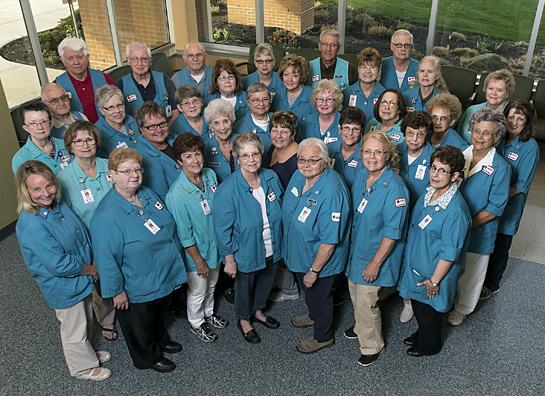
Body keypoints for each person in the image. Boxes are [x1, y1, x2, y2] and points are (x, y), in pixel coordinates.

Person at [90, 148, 187, 373]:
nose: (133, 175)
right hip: (137, 283)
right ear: (112, 174)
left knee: (159, 315)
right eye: (125, 171)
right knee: (140, 325)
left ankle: (160, 341)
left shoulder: (147, 194)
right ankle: (148, 357)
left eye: (136, 169)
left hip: (163, 273)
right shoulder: (106, 215)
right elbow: (106, 259)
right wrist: (116, 291)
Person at [15, 160, 111, 381]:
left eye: (49, 186)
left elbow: (80, 236)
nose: (45, 193)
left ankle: (84, 355)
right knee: (74, 328)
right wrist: (92, 270)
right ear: (26, 191)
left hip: (81, 278)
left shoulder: (58, 205)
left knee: (85, 320)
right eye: (36, 189)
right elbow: (59, 264)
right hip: (64, 284)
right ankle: (81, 368)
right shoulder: (32, 224)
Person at [398, 146, 472, 357]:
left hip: (433, 274)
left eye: (442, 170)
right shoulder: (429, 192)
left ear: (455, 175)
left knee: (429, 312)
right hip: (418, 265)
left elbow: (450, 252)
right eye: (433, 168)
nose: (435, 174)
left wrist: (435, 281)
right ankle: (421, 334)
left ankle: (430, 345)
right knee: (420, 308)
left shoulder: (455, 211)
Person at [345, 131, 409, 366]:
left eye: (378, 152)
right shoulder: (363, 174)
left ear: (389, 155)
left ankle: (372, 344)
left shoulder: (395, 188)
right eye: (367, 151)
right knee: (354, 292)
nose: (371, 156)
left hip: (376, 254)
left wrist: (374, 263)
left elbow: (392, 233)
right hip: (358, 248)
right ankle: (362, 326)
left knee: (366, 300)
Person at [214, 132, 284, 344]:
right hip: (246, 249)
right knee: (244, 287)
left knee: (265, 281)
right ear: (237, 158)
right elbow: (222, 229)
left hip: (272, 244)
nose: (251, 159)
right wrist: (229, 260)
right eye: (245, 155)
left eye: (255, 154)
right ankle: (244, 320)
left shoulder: (271, 178)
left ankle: (258, 311)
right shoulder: (227, 190)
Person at [283, 138, 351, 354]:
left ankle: (323, 336)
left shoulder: (332, 191)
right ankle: (313, 316)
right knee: (310, 294)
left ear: (325, 162)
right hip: (300, 252)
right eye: (302, 159)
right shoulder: (299, 176)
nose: (306, 164)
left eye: (313, 160)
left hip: (319, 260)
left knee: (319, 297)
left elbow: (329, 241)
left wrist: (314, 271)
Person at [447, 108, 511, 326]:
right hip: (452, 227)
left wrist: (466, 225)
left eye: (486, 133)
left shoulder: (501, 167)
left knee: (471, 273)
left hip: (479, 230)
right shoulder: (459, 156)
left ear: (497, 137)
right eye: (476, 130)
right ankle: (446, 302)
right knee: (451, 266)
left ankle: (463, 308)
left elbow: (494, 209)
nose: (479, 136)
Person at [165, 133, 228, 343]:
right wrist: (198, 261)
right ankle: (196, 323)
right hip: (197, 253)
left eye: (198, 154)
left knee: (212, 285)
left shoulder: (209, 175)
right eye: (188, 156)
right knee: (198, 290)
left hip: (215, 246)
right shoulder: (176, 195)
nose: (195, 160)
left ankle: (209, 313)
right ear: (179, 161)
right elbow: (184, 234)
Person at [57, 121, 117, 341]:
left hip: (119, 233)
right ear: (70, 146)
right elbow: (70, 221)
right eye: (78, 141)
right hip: (90, 241)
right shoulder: (64, 179)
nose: (85, 144)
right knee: (100, 281)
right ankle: (107, 319)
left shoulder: (109, 165)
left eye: (89, 139)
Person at [481, 100, 540, 299]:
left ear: (528, 122)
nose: (514, 121)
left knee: (500, 244)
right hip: (488, 200)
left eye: (520, 118)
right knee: (485, 242)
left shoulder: (529, 147)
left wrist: (496, 197)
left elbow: (522, 185)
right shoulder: (499, 138)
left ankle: (491, 284)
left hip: (509, 204)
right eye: (511, 116)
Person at [262, 111, 300, 303]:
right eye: (274, 130)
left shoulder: (298, 159)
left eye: (283, 131)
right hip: (273, 209)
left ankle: (290, 289)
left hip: (289, 213)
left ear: (293, 133)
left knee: (283, 252)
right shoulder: (272, 149)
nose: (278, 135)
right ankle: (282, 282)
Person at [55, 37, 115, 123]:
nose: (76, 62)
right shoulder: (57, 86)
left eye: (79, 57)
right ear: (63, 60)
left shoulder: (104, 78)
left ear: (87, 57)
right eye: (70, 58)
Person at [115, 42, 179, 122]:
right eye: (134, 58)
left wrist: (165, 131)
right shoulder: (120, 86)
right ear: (128, 61)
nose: (140, 63)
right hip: (136, 133)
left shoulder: (164, 80)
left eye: (144, 59)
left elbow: (175, 111)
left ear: (150, 60)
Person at [133, 101, 182, 201]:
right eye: (152, 127)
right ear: (141, 130)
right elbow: (162, 197)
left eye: (162, 124)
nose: (159, 130)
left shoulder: (174, 138)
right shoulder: (142, 156)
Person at [12, 101, 70, 175]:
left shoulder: (67, 145)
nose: (40, 127)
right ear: (26, 128)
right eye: (33, 123)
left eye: (43, 121)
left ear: (51, 124)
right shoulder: (21, 159)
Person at [458, 69, 515, 143]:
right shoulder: (471, 110)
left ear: (507, 94)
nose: (494, 93)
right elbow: (459, 136)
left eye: (499, 90)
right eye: (491, 88)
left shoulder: (512, 116)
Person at [397, 111, 435, 204]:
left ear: (427, 135)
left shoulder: (434, 160)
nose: (414, 139)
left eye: (420, 134)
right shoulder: (394, 152)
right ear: (404, 132)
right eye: (410, 133)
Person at [94, 85, 141, 157]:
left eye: (119, 105)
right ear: (101, 110)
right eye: (111, 107)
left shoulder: (131, 120)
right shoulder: (97, 133)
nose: (117, 111)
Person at [343, 48, 385, 127]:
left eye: (372, 67)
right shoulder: (346, 94)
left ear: (378, 70)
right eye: (364, 67)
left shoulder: (385, 95)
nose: (368, 71)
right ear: (358, 69)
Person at [327, 107, 366, 190]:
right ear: (340, 129)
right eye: (346, 128)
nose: (350, 133)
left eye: (355, 129)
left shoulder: (367, 155)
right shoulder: (327, 149)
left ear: (361, 132)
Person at [203, 99, 239, 183]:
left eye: (225, 121)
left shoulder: (242, 141)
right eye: (216, 123)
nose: (222, 127)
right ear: (211, 126)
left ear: (232, 121)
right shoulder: (205, 148)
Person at [274, 54, 315, 124]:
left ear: (301, 76)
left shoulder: (312, 95)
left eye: (295, 75)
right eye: (286, 74)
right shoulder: (278, 95)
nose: (289, 79)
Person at [233, 83, 273, 152]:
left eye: (265, 99)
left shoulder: (279, 119)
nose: (261, 104)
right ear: (248, 102)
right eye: (256, 100)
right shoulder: (239, 128)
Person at [299, 79, 343, 144]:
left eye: (329, 99)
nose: (324, 103)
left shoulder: (344, 123)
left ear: (336, 101)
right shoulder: (306, 122)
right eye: (320, 99)